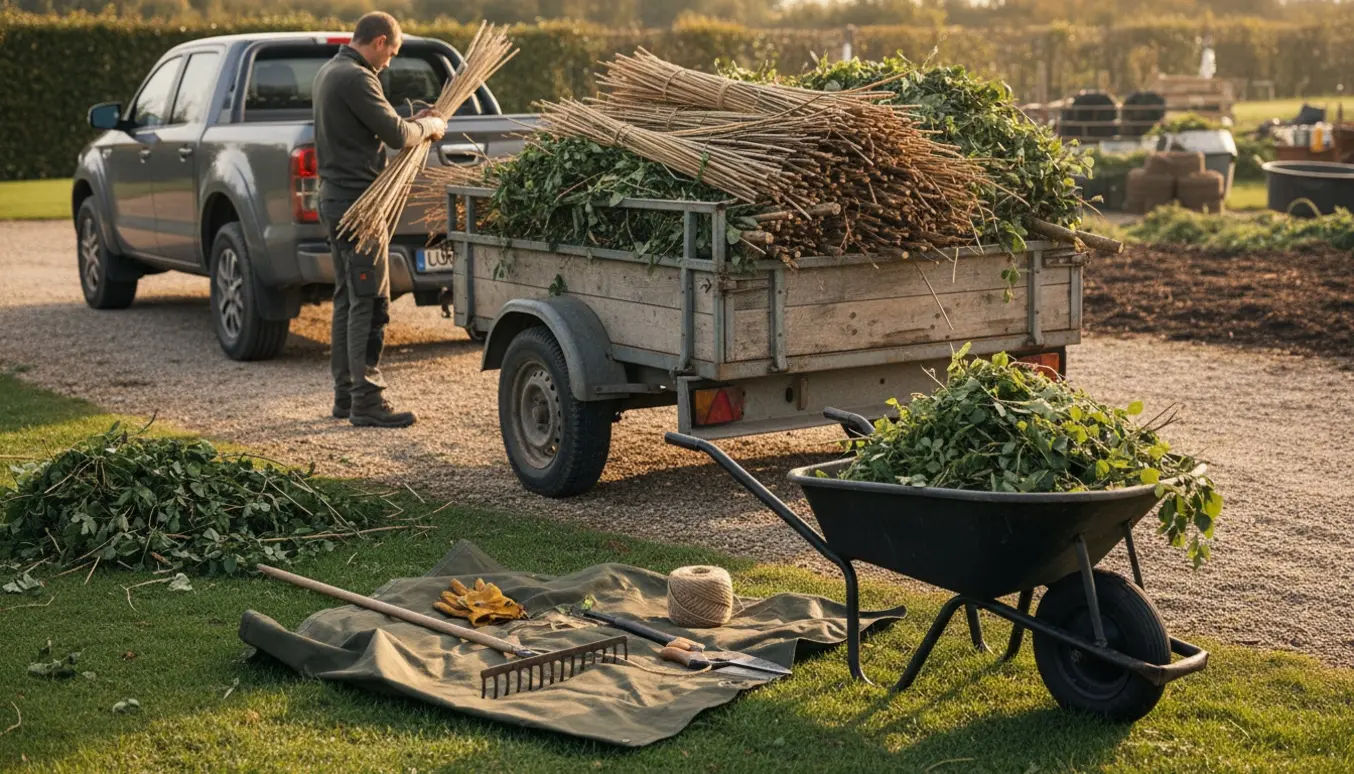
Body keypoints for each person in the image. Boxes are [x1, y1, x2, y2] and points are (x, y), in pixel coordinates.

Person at [313, 11, 446, 428]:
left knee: (347, 299)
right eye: (392, 51)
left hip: (335, 200)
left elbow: (378, 124)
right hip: (359, 209)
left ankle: (345, 396)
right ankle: (367, 401)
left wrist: (415, 120)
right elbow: (397, 136)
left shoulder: (331, 71)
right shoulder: (357, 77)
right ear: (379, 41)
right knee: (370, 303)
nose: (390, 61)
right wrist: (431, 125)